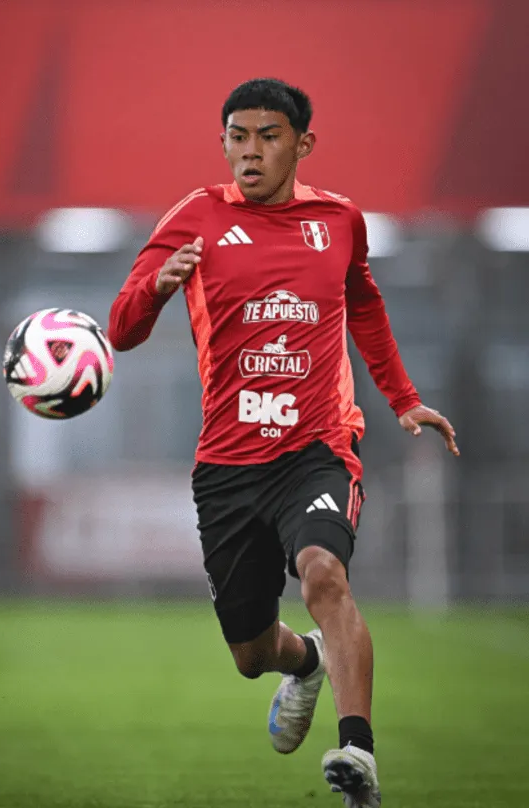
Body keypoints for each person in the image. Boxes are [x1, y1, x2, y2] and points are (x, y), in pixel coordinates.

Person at [107, 77, 459, 808]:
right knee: (248, 653)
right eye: (238, 136)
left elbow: (364, 305)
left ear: (303, 143)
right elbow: (121, 330)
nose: (250, 152)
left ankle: (357, 752)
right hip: (228, 466)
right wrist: (157, 288)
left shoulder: (339, 220)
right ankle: (304, 662)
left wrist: (403, 398)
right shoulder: (195, 218)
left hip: (316, 449)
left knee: (324, 571)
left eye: (268, 136)